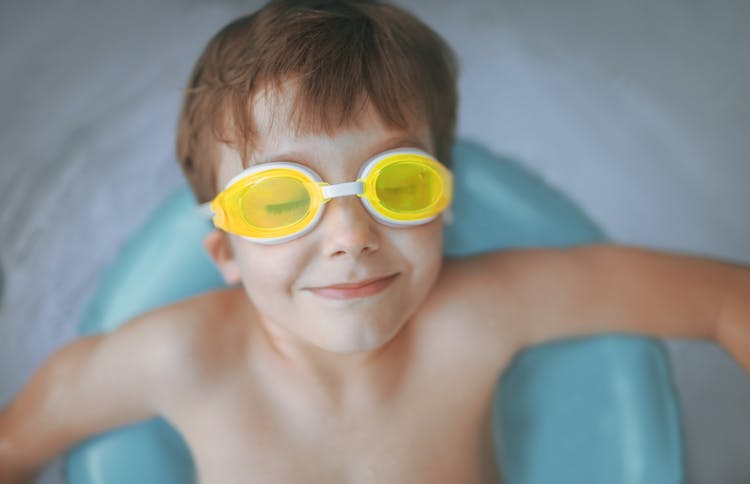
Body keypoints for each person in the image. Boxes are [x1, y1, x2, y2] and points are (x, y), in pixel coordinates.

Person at [1, 1, 748, 483]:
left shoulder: (483, 312)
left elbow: (726, 299)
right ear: (225, 252)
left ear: (444, 202)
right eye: (281, 200)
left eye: (397, 184)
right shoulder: (177, 360)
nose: (351, 236)